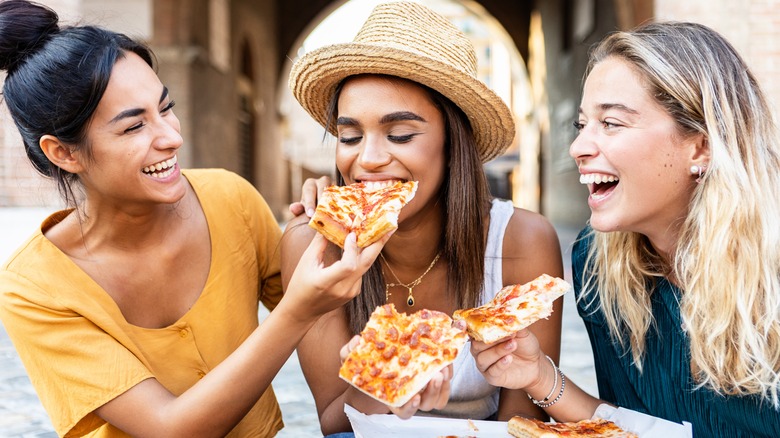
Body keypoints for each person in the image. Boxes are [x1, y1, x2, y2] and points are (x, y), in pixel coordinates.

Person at [0, 1, 389, 436]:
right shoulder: (33, 288)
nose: (172, 137)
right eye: (134, 127)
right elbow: (170, 429)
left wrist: (336, 224)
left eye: (165, 108)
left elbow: (335, 316)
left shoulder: (230, 199)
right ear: (64, 153)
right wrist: (295, 312)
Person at [470, 21, 780, 437]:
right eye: (581, 126)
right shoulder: (596, 259)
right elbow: (642, 429)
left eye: (611, 123)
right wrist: (538, 376)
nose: (578, 148)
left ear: (702, 145)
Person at [282, 2, 564, 435]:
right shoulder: (312, 246)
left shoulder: (522, 241)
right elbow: (333, 424)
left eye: (400, 135)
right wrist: (382, 379)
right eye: (350, 136)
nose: (368, 159)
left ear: (454, 144)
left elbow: (524, 422)